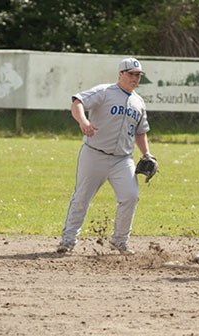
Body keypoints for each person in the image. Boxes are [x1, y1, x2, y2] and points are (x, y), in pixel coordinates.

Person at [56, 57, 155, 254]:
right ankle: (68, 240)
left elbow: (140, 131)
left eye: (138, 75)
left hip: (122, 159)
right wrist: (83, 122)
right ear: (121, 74)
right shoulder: (104, 91)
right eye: (131, 74)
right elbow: (77, 102)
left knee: (130, 196)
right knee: (82, 197)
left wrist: (147, 154)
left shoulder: (138, 102)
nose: (135, 78)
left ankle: (119, 241)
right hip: (94, 155)